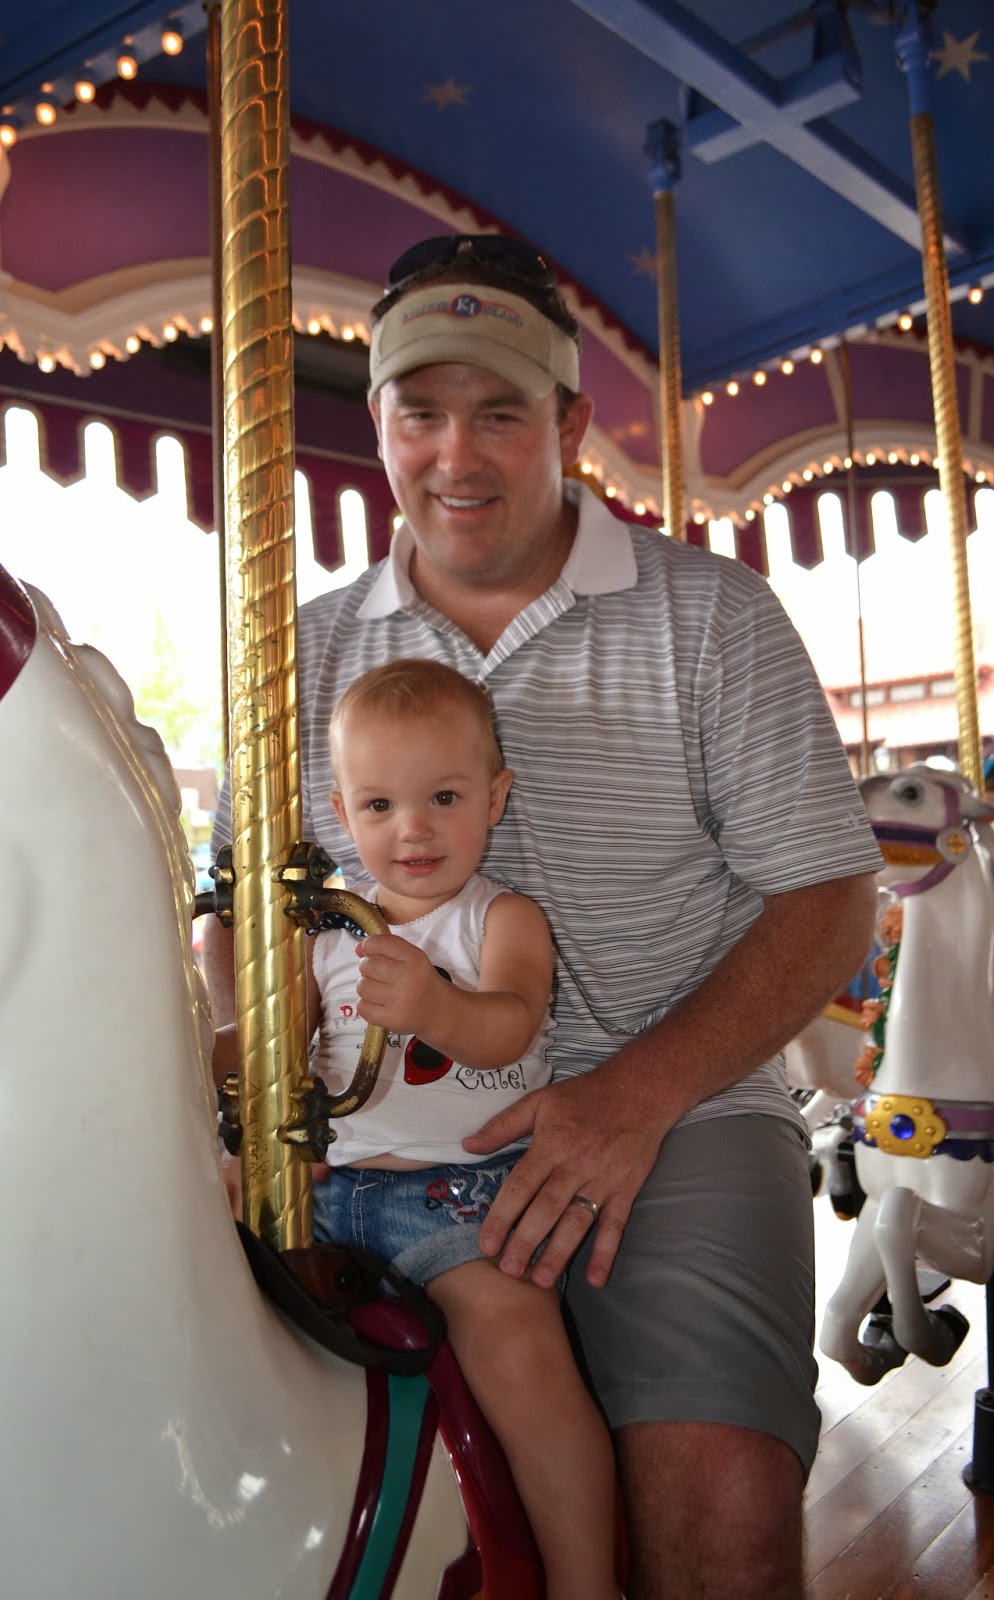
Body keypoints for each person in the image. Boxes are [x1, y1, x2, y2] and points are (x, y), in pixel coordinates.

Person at [206, 233, 883, 1599]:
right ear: (378, 426)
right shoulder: (302, 647)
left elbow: (828, 902)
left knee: (717, 1488)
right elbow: (241, 907)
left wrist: (631, 1097)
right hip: (377, 1129)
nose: (454, 455)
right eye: (419, 413)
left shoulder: (710, 617)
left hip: (673, 1100)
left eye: (499, 413)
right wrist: (241, 1067)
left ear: (568, 427)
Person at [318, 657, 619, 1598]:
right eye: (380, 806)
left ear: (495, 799)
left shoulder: (502, 918)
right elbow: (267, 1050)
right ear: (343, 813)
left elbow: (510, 1023)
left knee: (520, 1352)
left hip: (455, 1196)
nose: (412, 829)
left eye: (443, 798)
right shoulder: (323, 934)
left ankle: (584, 1580)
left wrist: (434, 1007)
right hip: (326, 1191)